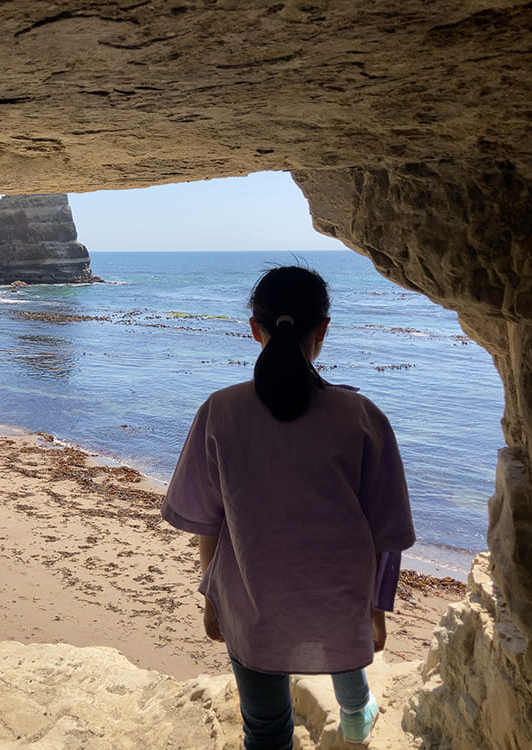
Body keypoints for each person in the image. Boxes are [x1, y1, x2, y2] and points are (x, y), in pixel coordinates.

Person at [161, 266, 415, 749]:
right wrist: (377, 611)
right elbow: (386, 533)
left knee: (265, 729)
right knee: (340, 643)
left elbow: (208, 521)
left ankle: (344, 718)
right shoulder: (362, 418)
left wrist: (211, 595)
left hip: (250, 599)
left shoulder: (219, 411)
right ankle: (356, 719)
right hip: (339, 595)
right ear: (323, 331)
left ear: (254, 330)